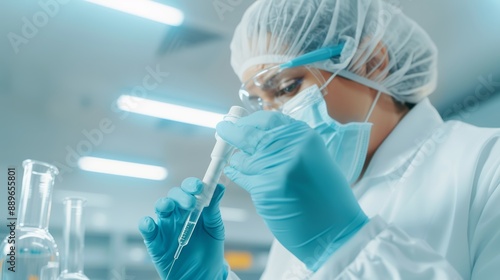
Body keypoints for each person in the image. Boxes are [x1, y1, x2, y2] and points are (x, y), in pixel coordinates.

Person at [138, 0, 500, 279]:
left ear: (372, 62)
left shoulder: (488, 166)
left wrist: (344, 244)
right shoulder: (303, 207)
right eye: (260, 102)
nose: (274, 116)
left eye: (286, 87)